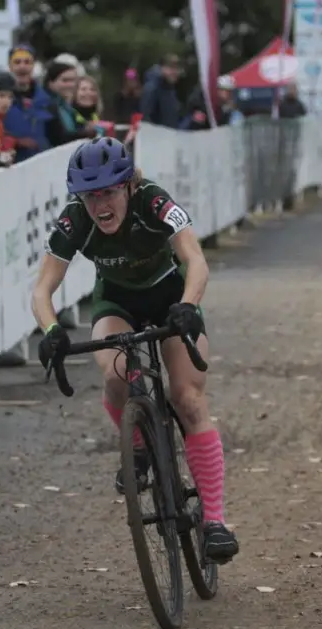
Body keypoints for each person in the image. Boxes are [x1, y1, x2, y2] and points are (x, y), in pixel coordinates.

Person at [31, 137, 239, 563]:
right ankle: (140, 441)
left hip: (171, 297)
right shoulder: (74, 221)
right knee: (113, 375)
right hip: (118, 302)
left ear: (127, 186)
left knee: (187, 398)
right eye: (89, 196)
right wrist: (50, 329)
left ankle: (215, 521)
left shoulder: (153, 200)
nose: (99, 205)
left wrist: (189, 305)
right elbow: (42, 289)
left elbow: (195, 259)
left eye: (108, 192)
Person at [2, 44, 54, 162]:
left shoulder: (47, 101)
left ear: (33, 66)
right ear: (10, 66)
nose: (22, 67)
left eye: (27, 62)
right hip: (10, 168)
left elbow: (57, 137)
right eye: (17, 62)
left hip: (41, 165)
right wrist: (16, 142)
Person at [43, 62, 95, 147]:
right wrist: (86, 133)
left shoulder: (67, 106)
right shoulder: (47, 106)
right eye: (65, 80)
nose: (70, 85)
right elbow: (58, 138)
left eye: (73, 80)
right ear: (51, 83)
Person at [139, 54, 183, 128]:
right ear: (162, 68)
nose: (175, 72)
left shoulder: (170, 89)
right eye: (171, 68)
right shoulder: (151, 89)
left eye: (177, 69)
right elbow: (146, 118)